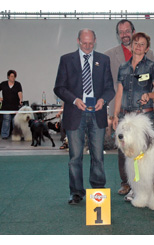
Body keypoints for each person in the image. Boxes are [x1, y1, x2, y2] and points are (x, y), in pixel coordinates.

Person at [54, 29, 115, 205]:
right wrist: (74, 100)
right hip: (75, 114)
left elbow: (110, 87)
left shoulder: (103, 60)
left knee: (98, 155)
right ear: (78, 41)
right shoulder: (66, 60)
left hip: (97, 114)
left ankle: (98, 191)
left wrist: (103, 100)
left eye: (90, 43)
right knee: (75, 157)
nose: (87, 47)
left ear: (95, 41)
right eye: (84, 43)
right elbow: (59, 87)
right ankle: (76, 192)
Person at [104, 20, 154, 196]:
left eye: (128, 31)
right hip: (122, 110)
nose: (125, 34)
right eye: (121, 32)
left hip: (143, 111)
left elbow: (152, 85)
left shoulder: (150, 56)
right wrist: (113, 114)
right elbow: (112, 87)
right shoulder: (109, 56)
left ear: (133, 32)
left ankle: (146, 182)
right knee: (123, 147)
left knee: (146, 147)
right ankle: (125, 182)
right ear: (118, 35)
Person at [112, 32, 154, 201]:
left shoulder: (152, 67)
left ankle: (149, 188)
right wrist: (115, 115)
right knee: (126, 153)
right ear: (131, 45)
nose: (138, 46)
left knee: (146, 155)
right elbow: (119, 92)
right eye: (136, 43)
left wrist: (149, 95)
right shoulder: (123, 68)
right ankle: (131, 186)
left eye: (142, 44)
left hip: (144, 117)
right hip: (126, 116)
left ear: (147, 48)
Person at [0, 70, 23, 139]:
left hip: (15, 106)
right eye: (11, 76)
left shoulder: (18, 84)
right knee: (6, 120)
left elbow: (20, 92)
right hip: (6, 106)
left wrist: (20, 99)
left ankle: (17, 135)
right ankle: (5, 135)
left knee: (15, 122)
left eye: (14, 77)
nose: (13, 78)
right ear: (8, 77)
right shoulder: (3, 84)